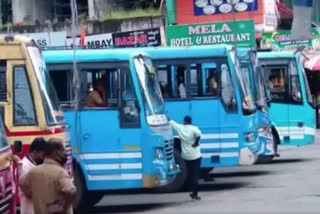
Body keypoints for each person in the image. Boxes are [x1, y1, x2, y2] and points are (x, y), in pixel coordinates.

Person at [19, 138, 76, 214]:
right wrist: (62, 205)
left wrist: (35, 195)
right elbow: (71, 191)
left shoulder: (34, 171)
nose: (65, 153)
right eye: (63, 150)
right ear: (56, 152)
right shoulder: (60, 172)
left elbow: (22, 183)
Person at [169, 115, 202, 200]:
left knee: (189, 173)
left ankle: (189, 188)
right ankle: (195, 194)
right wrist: (196, 142)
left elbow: (171, 122)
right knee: (195, 175)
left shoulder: (181, 128)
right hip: (196, 156)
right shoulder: (194, 128)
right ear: (191, 121)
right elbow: (198, 134)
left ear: (184, 121)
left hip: (186, 157)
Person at [17, 137, 47, 214]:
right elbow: (28, 192)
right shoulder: (25, 166)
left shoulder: (36, 164)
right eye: (43, 155)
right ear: (35, 152)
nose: (44, 158)